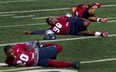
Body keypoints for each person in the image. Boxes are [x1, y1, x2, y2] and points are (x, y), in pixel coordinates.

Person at [4, 40, 80, 68]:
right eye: (9, 53)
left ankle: (44, 46)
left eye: (12, 51)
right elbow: (8, 62)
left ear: (13, 49)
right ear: (6, 54)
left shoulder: (17, 47)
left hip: (39, 53)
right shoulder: (9, 61)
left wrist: (36, 43)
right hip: (37, 62)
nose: (11, 54)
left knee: (59, 47)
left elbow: (27, 45)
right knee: (54, 64)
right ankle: (73, 64)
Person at [23, 16, 108, 38]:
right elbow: (41, 31)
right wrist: (30, 32)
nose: (52, 20)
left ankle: (97, 19)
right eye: (50, 21)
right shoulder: (52, 29)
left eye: (51, 19)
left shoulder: (59, 18)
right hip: (71, 31)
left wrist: (80, 19)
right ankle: (102, 34)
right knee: (86, 32)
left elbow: (70, 18)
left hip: (73, 23)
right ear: (49, 24)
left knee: (86, 23)